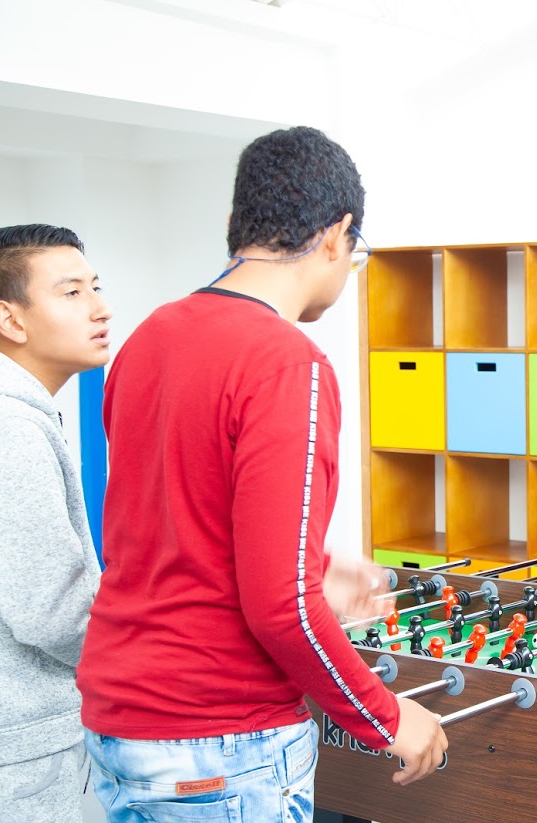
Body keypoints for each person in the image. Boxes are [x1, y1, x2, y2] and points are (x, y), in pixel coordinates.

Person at [76, 127, 447, 822]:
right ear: (337, 236)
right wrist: (387, 714)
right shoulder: (289, 363)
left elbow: (176, 517)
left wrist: (311, 560)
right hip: (220, 734)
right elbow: (280, 605)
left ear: (233, 226)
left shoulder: (148, 337)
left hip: (120, 718)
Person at [0, 224, 111, 822]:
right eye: (72, 293)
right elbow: (49, 607)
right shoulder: (9, 428)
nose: (100, 308)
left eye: (96, 287)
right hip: (18, 753)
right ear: (12, 319)